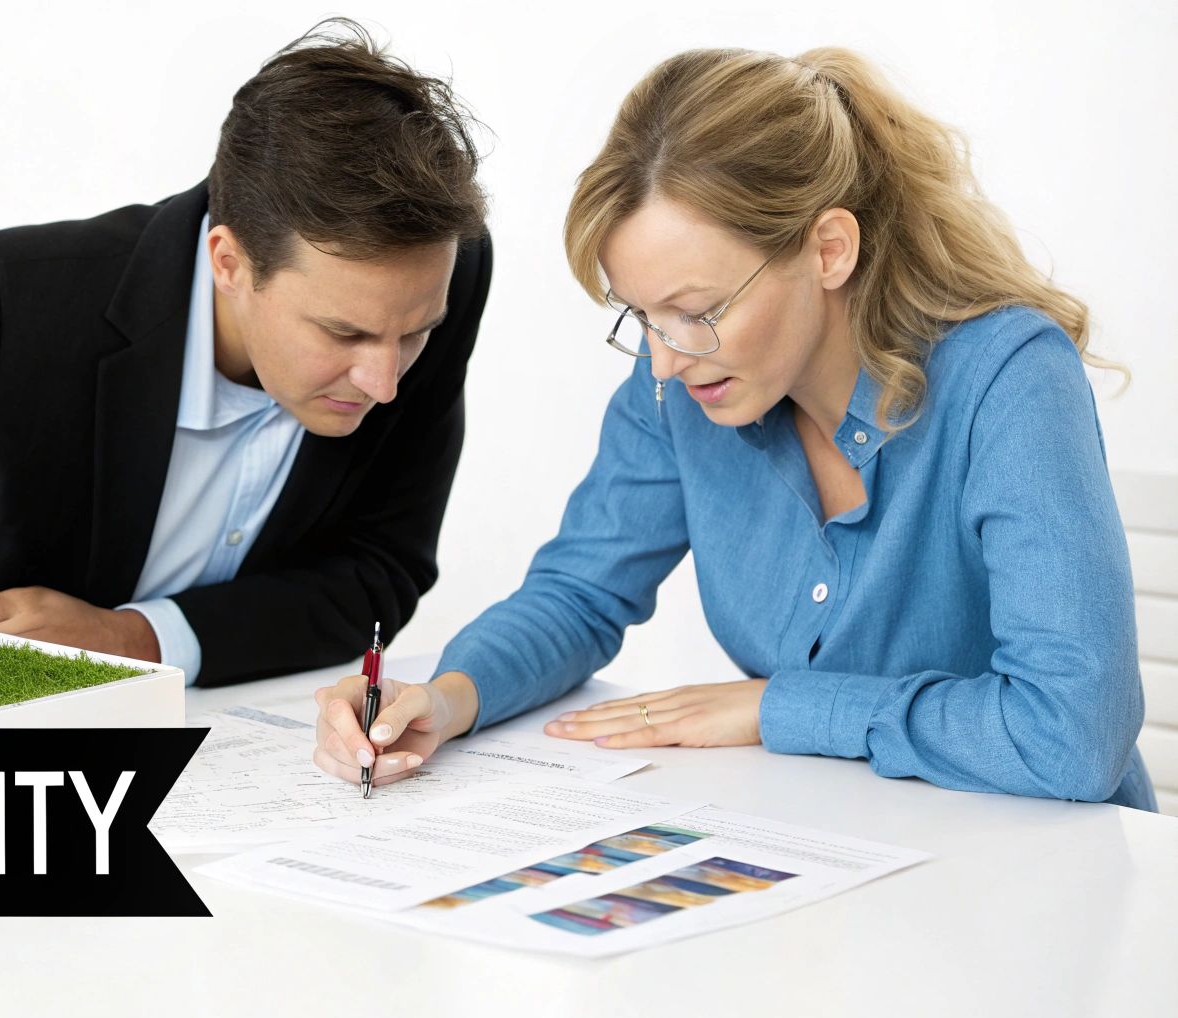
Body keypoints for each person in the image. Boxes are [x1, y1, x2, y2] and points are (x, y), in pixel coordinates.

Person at [312, 46, 1153, 809]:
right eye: (641, 316)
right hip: (832, 853)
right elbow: (579, 593)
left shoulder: (1009, 381)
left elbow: (1070, 736)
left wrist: (776, 706)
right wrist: (449, 698)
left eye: (697, 311)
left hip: (1045, 875)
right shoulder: (684, 381)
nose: (666, 361)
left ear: (829, 250)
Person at [0, 20, 493, 686]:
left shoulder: (439, 275)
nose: (385, 383)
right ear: (228, 262)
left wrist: (137, 638)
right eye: (343, 333)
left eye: (413, 335)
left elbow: (382, 565)